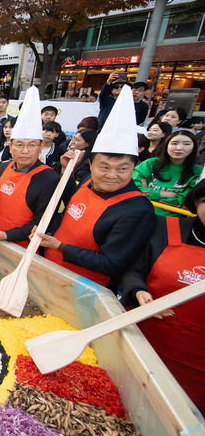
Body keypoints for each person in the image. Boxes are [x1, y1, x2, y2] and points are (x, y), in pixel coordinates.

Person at [40, 84, 156, 289]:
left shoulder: (138, 209)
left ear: (134, 167)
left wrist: (61, 247)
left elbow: (112, 263)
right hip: (50, 268)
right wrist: (67, 173)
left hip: (87, 288)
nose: (111, 175)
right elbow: (71, 202)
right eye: (104, 167)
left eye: (122, 169)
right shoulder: (87, 183)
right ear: (91, 164)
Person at [120, 180, 205, 414]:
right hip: (144, 333)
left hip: (196, 360)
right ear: (197, 201)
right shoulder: (165, 228)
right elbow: (133, 270)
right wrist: (138, 291)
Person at [0, 87, 59, 247]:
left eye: (32, 145)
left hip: (21, 247)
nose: (25, 151)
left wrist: (6, 235)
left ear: (40, 148)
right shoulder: (4, 167)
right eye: (19, 144)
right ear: (10, 147)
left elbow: (42, 223)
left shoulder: (49, 178)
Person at [134, 130, 203, 216]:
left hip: (173, 219)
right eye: (174, 143)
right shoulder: (149, 164)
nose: (179, 148)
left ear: (194, 148)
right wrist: (165, 194)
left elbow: (184, 200)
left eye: (186, 144)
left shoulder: (199, 171)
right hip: (140, 212)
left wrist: (148, 193)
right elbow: (134, 189)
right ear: (166, 145)